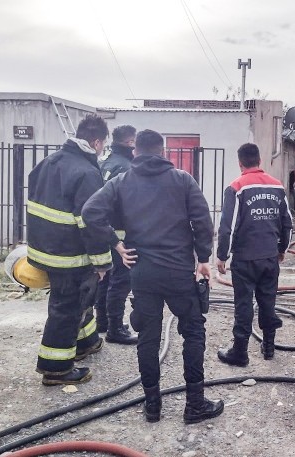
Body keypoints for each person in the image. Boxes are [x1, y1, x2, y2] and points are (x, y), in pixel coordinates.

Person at [82, 129, 224, 424]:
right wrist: (204, 260)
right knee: (194, 332)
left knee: (148, 337)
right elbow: (202, 221)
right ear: (163, 152)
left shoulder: (122, 182)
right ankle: (195, 404)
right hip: (177, 271)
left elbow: (90, 211)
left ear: (135, 152)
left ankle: (152, 406)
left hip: (142, 272)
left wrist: (117, 245)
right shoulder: (183, 180)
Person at [26, 114, 113, 386]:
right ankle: (55, 368)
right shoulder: (87, 173)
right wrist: (102, 263)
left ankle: (87, 341)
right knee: (67, 306)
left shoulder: (48, 163)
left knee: (81, 300)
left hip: (45, 249)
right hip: (69, 255)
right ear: (96, 142)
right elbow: (91, 222)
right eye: (104, 144)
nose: (104, 149)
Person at [216, 143, 293, 367]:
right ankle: (269, 347)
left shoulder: (236, 187)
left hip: (244, 259)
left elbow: (227, 226)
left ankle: (240, 353)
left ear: (240, 163)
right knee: (268, 301)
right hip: (269, 257)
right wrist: (282, 249)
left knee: (243, 304)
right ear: (260, 161)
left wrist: (222, 255)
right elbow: (287, 222)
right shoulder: (277, 186)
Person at [93, 125, 138, 345]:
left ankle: (103, 321)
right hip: (121, 235)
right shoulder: (127, 168)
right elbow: (128, 204)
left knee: (105, 278)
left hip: (103, 231)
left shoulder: (104, 164)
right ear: (130, 143)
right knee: (121, 281)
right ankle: (115, 328)